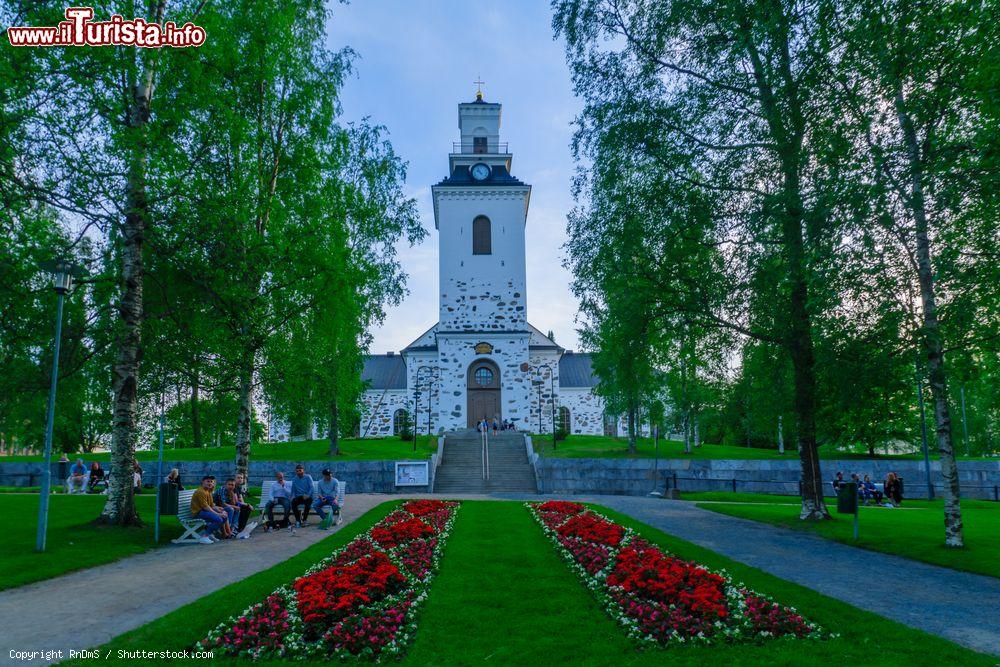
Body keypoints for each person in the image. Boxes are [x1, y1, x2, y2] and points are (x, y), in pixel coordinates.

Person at [191, 476, 228, 544]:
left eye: (211, 482)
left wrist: (219, 509)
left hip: (204, 511)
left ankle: (208, 533)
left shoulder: (208, 491)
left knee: (224, 516)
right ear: (203, 482)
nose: (210, 483)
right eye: (208, 481)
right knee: (219, 519)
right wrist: (218, 514)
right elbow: (206, 507)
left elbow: (211, 505)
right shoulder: (201, 491)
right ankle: (205, 536)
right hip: (198, 513)